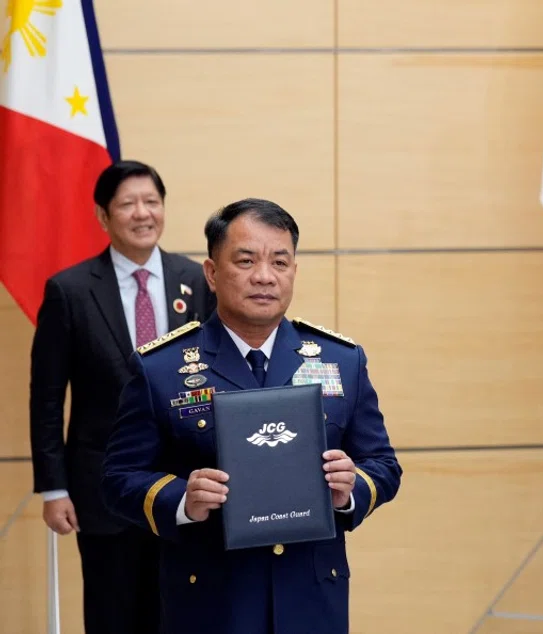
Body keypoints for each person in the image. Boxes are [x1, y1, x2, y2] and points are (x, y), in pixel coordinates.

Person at [100, 197, 402, 634]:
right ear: (212, 273)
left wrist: (351, 487)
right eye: (246, 260)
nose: (265, 276)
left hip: (312, 600)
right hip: (211, 603)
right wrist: (185, 499)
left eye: (280, 262)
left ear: (293, 272)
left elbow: (384, 465)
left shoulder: (341, 360)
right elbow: (118, 478)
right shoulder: (162, 369)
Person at [29, 160, 215, 634]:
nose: (142, 213)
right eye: (128, 203)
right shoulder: (69, 291)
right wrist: (54, 488)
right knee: (113, 615)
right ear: (103, 216)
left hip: (183, 486)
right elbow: (47, 397)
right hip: (101, 489)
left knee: (178, 612)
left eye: (152, 202)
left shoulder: (196, 280)